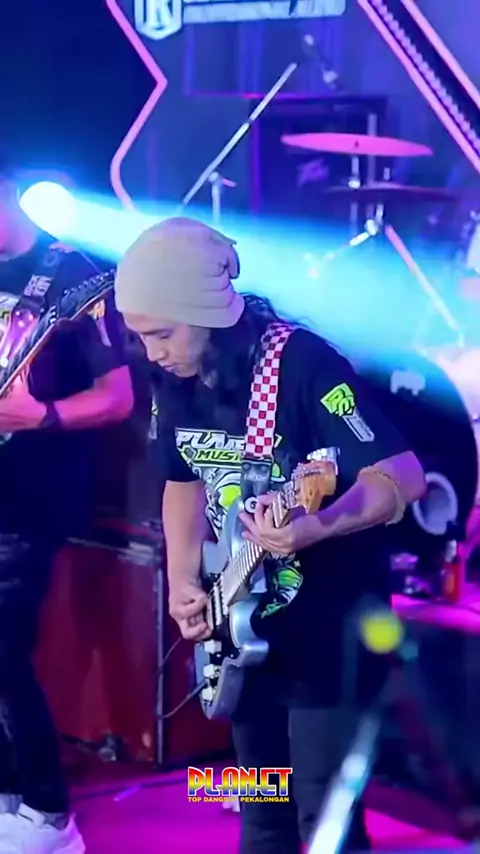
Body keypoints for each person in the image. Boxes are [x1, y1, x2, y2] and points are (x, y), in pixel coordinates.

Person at [114, 217, 425, 854]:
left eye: (162, 334)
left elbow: (403, 475)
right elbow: (182, 482)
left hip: (329, 636)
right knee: (260, 813)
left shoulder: (304, 364)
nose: (151, 353)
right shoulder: (174, 380)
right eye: (140, 336)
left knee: (324, 821)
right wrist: (183, 580)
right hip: (243, 642)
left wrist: (318, 524)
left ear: (205, 312)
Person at [0, 149, 133, 854]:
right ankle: (9, 800)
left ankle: (51, 814)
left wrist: (42, 416)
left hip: (30, 497)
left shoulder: (73, 274)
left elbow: (118, 397)